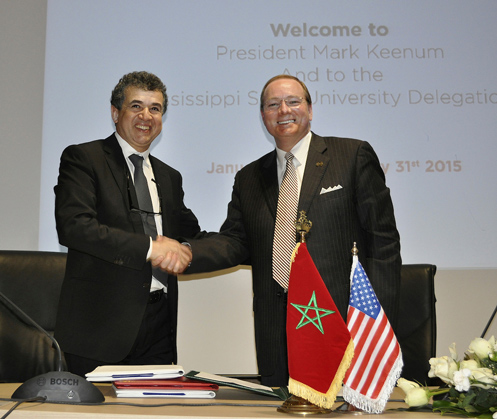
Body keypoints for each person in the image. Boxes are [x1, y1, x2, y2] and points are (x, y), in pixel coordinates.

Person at [181, 74, 402, 387]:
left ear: (310, 110)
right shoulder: (249, 178)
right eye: (273, 104)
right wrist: (187, 252)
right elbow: (236, 242)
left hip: (345, 323)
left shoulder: (351, 157)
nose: (283, 110)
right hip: (277, 329)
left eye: (293, 101)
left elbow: (384, 242)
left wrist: (377, 323)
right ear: (263, 117)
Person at [54, 71, 200, 376]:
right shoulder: (84, 158)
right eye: (136, 106)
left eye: (155, 108)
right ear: (115, 112)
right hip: (99, 327)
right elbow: (75, 226)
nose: (146, 116)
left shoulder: (169, 177)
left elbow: (191, 235)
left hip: (159, 327)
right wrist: (151, 247)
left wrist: (244, 242)